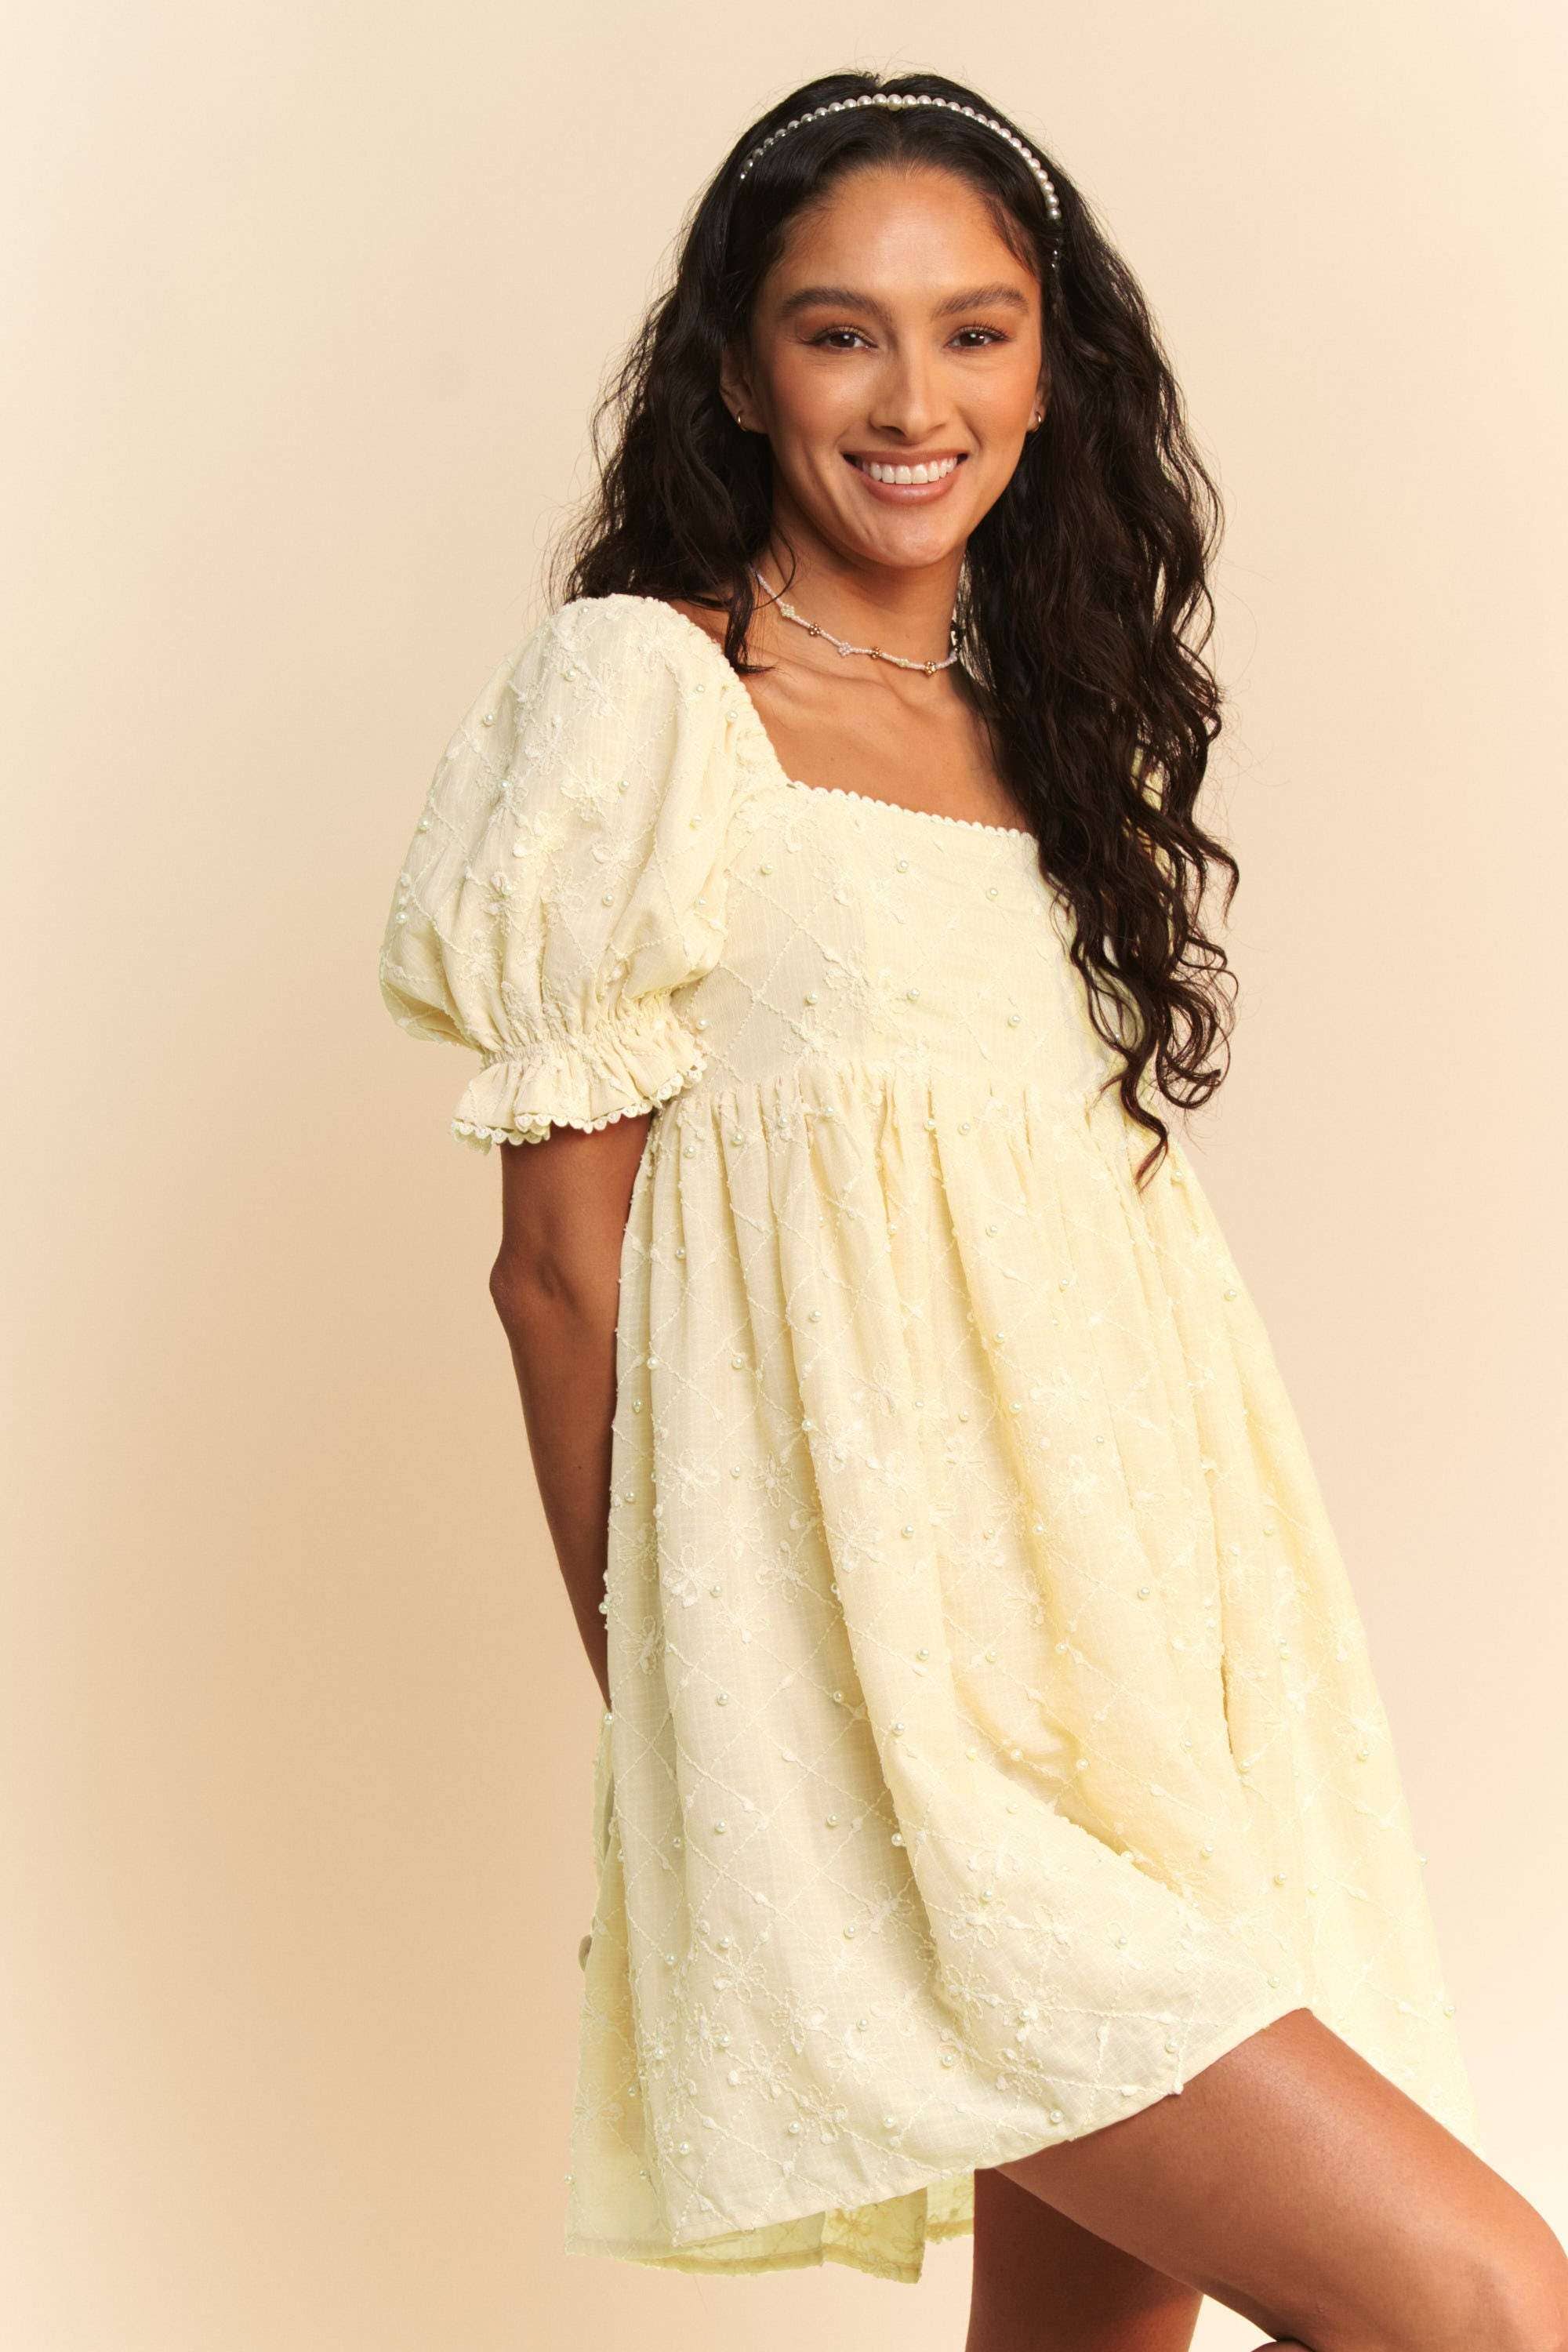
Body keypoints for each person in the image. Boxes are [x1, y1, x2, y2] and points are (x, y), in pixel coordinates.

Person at [377, 67, 1566, 2352]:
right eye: (840, 332)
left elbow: (1087, 1277)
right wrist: (694, 1729)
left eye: (974, 332)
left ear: (1049, 370)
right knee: (1483, 2300)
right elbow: (555, 1277)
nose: (913, 400)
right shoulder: (651, 691)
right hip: (888, 1731)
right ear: (740, 372)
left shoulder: (1062, 732)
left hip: (1135, 1697)